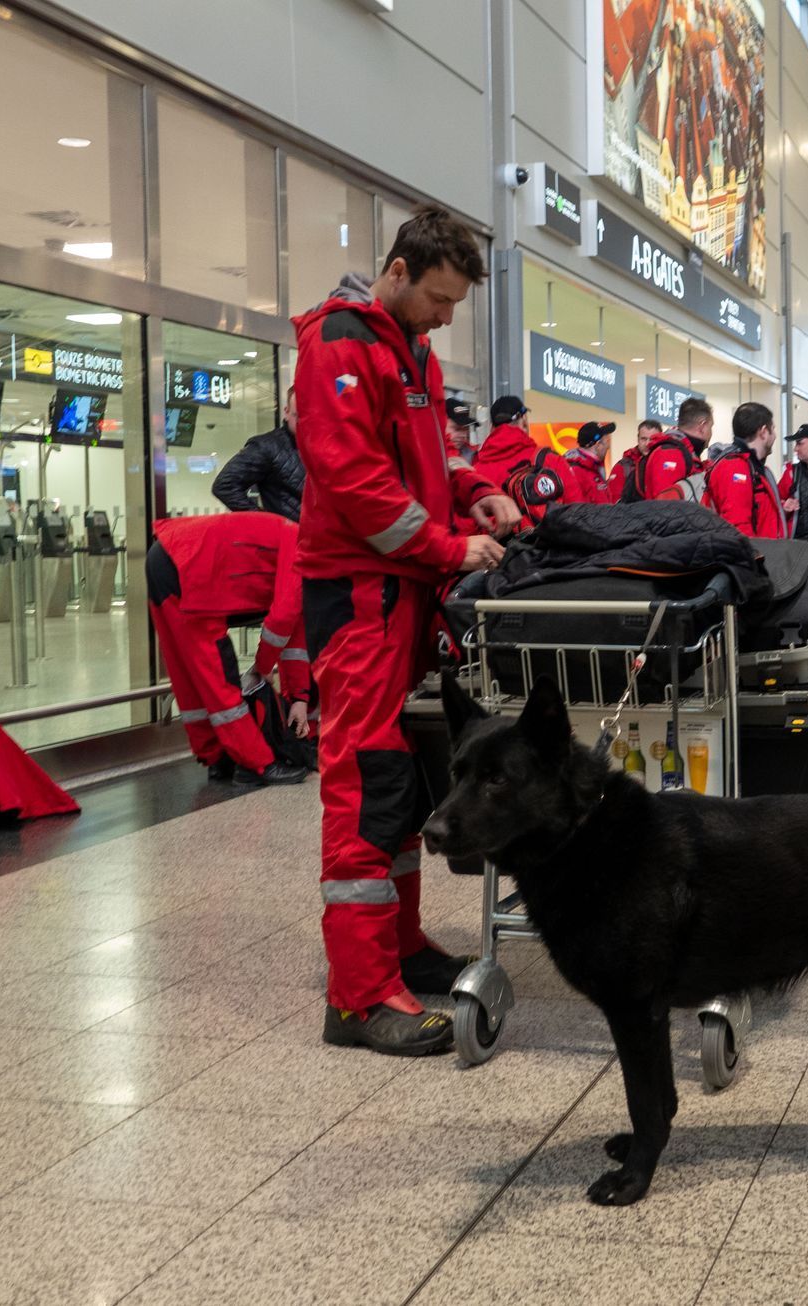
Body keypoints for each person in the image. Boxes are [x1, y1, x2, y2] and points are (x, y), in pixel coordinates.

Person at [293, 204, 521, 1057]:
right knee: (362, 777)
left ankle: (399, 947)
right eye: (436, 298)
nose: (446, 316)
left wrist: (472, 494)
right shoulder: (340, 345)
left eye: (455, 302)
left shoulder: (404, 348)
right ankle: (356, 998)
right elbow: (352, 479)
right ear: (395, 272)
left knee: (400, 771)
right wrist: (446, 543)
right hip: (361, 593)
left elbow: (427, 456)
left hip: (399, 591)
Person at [146, 512, 312, 785]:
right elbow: (282, 619)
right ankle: (256, 764)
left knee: (189, 675)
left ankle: (216, 757)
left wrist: (299, 698)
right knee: (218, 676)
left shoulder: (296, 541)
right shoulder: (304, 548)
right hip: (193, 568)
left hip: (168, 555)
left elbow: (294, 641)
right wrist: (262, 667)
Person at [473, 395, 591, 526]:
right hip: (548, 544)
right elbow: (579, 513)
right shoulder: (550, 460)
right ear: (523, 420)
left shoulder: (476, 471)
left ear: (492, 426)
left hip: (496, 545)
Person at [212, 387, 305, 520]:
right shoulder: (267, 446)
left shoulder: (325, 445)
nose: (304, 422)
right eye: (298, 415)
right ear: (286, 412)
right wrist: (268, 523)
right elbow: (224, 486)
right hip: (289, 536)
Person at [704, 402, 787, 537]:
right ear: (764, 432)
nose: (775, 436)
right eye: (774, 429)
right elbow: (738, 528)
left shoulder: (754, 468)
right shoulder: (735, 468)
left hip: (769, 553)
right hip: (755, 555)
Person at [623, 399, 713, 502]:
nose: (711, 433)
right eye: (711, 427)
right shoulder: (670, 454)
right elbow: (665, 508)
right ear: (702, 426)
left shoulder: (683, 452)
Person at [607, 419, 664, 501]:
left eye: (652, 439)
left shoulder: (666, 463)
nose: (647, 444)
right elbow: (614, 503)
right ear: (638, 439)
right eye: (643, 439)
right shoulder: (623, 467)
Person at [565, 420, 616, 503]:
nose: (608, 447)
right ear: (598, 445)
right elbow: (576, 510)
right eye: (607, 442)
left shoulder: (594, 468)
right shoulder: (575, 472)